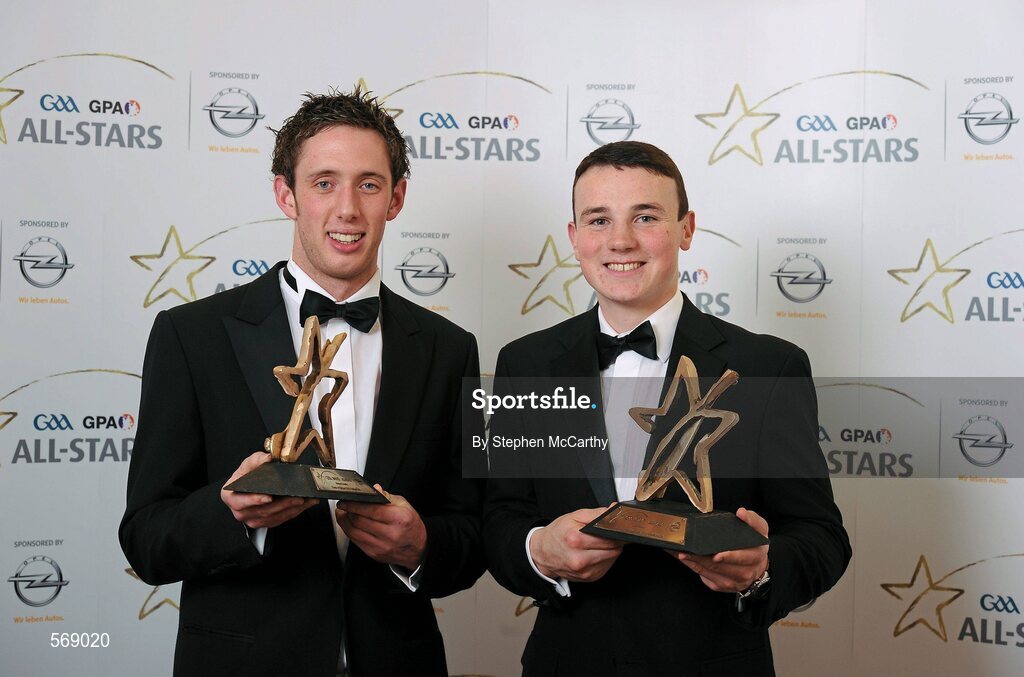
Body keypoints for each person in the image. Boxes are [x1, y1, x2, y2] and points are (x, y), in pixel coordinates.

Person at [120, 87, 485, 677]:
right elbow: (146, 539)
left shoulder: (448, 350)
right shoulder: (193, 336)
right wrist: (230, 512)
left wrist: (421, 545)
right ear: (285, 194)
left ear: (395, 200)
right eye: (323, 182)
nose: (346, 208)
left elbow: (472, 535)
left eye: (368, 184)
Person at [483, 141, 851, 676]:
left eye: (646, 217)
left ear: (686, 228)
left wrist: (763, 568)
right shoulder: (524, 363)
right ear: (574, 237)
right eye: (598, 220)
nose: (620, 241)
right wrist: (539, 549)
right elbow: (499, 520)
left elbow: (822, 538)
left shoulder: (770, 367)